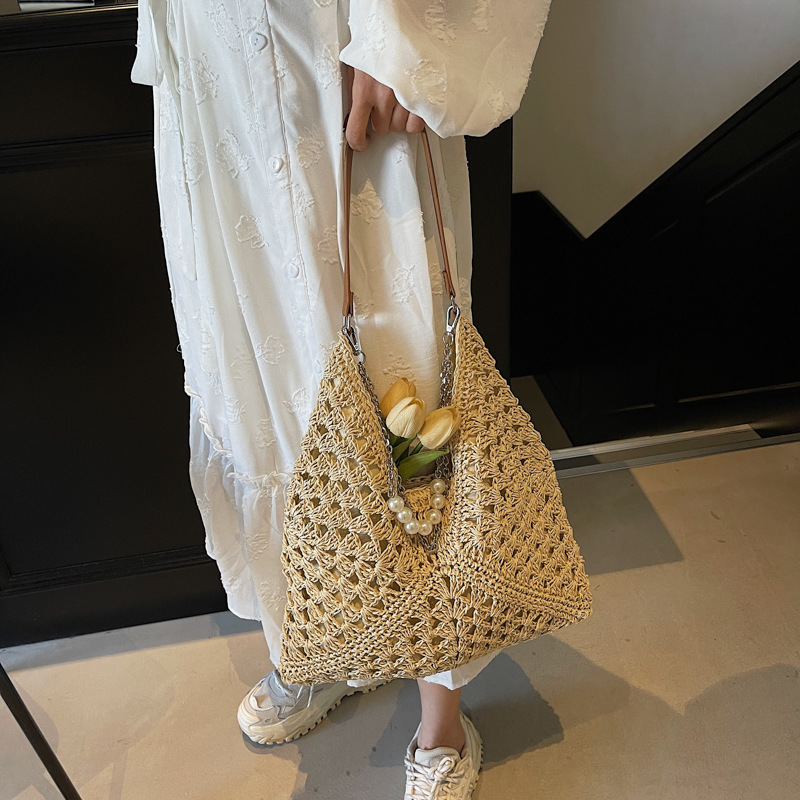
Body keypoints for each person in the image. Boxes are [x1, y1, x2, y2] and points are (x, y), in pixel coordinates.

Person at [132, 2, 551, 797]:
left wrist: (400, 42)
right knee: (262, 378)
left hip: (334, 41)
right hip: (215, 71)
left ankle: (441, 716)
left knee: (404, 369)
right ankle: (324, 640)